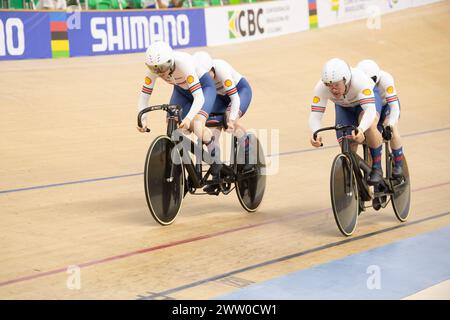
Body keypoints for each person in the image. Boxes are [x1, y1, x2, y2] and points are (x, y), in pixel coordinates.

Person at [309, 58, 384, 185]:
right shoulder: (320, 88)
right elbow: (315, 115)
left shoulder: (360, 81)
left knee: (370, 126)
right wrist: (315, 133)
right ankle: (356, 182)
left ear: (346, 79)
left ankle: (377, 167)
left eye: (336, 85)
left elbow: (370, 111)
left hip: (365, 104)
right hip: (344, 107)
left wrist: (361, 129)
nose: (333, 90)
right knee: (347, 145)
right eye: (329, 86)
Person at [137, 41, 216, 151]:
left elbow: (199, 97)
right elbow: (144, 96)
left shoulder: (183, 63)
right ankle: (180, 160)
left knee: (197, 125)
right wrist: (143, 120)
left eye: (162, 67)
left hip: (203, 88)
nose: (158, 72)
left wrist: (188, 119)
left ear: (170, 61)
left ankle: (215, 155)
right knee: (172, 126)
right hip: (181, 90)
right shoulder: (153, 70)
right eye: (154, 69)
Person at [193, 51, 253, 194]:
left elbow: (235, 99)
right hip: (220, 97)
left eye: (207, 76)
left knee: (228, 120)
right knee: (212, 130)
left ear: (212, 69)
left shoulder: (221, 68)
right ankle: (217, 173)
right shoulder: (200, 75)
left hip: (239, 92)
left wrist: (232, 120)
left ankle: (249, 153)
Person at [356, 59, 404, 178]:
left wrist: (390, 124)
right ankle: (376, 173)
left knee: (392, 130)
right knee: (371, 140)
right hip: (372, 108)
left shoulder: (386, 79)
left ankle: (399, 164)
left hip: (387, 105)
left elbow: (394, 106)